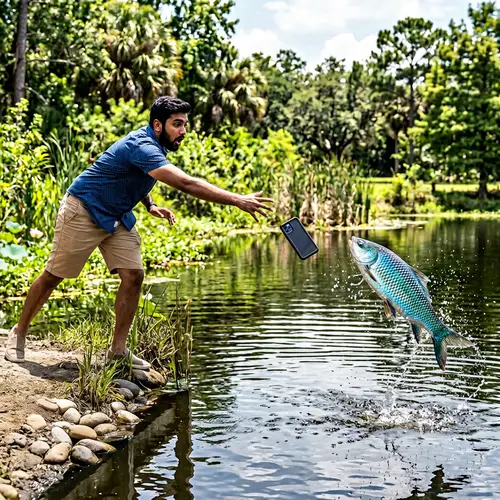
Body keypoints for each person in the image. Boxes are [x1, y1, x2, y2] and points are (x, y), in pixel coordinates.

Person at [4, 96, 273, 368]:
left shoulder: (157, 145)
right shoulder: (142, 145)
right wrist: (237, 199)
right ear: (158, 125)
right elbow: (186, 183)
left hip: (117, 215)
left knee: (133, 276)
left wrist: (151, 204)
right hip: (84, 209)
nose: (183, 131)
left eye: (184, 124)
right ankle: (19, 332)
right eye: (177, 124)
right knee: (53, 276)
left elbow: (136, 174)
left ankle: (117, 351)